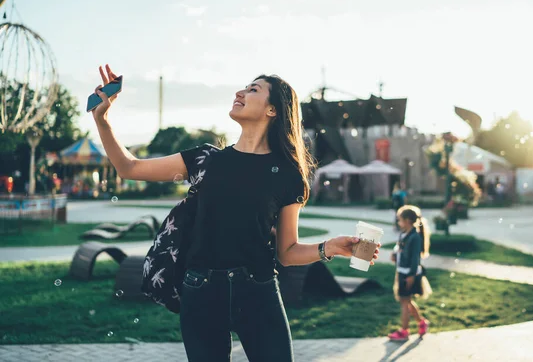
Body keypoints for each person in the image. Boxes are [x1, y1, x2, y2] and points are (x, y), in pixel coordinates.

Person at [89, 64, 380, 362]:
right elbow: (130, 168)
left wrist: (328, 248)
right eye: (244, 87)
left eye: (253, 89)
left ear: (273, 110)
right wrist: (103, 119)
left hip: (259, 290)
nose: (240, 92)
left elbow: (287, 251)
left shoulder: (289, 175)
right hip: (200, 290)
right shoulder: (205, 159)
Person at [388, 205, 431, 342]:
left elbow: (415, 259)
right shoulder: (404, 234)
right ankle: (422, 323)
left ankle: (404, 331)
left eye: (400, 220)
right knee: (406, 301)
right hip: (402, 271)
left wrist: (411, 276)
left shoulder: (415, 237)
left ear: (407, 220)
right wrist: (395, 255)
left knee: (404, 303)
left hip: (409, 274)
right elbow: (401, 250)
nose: (398, 222)